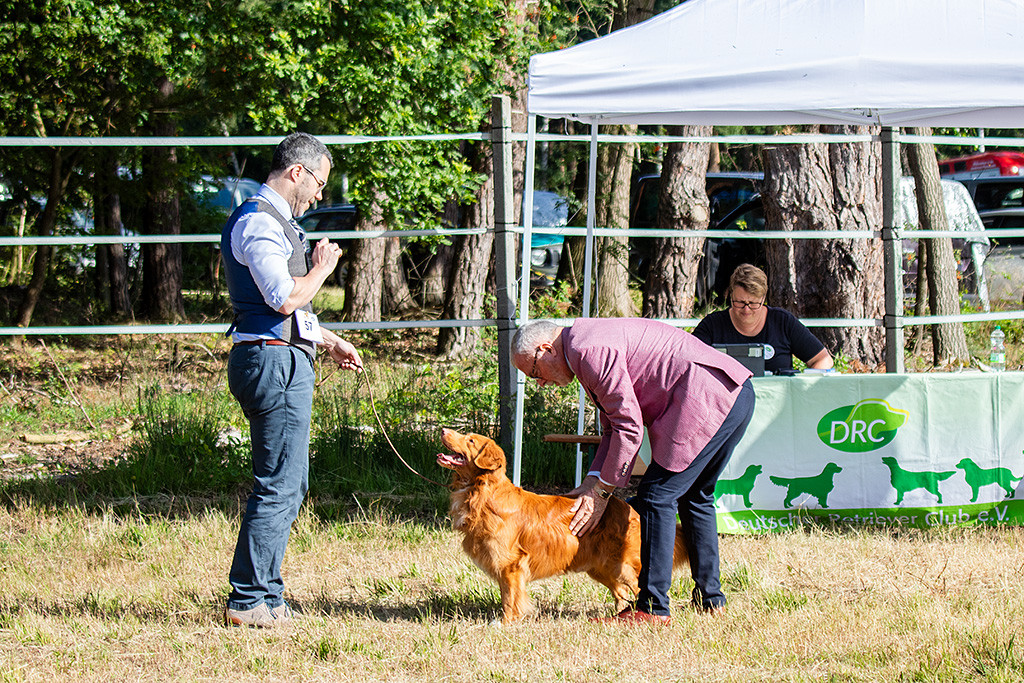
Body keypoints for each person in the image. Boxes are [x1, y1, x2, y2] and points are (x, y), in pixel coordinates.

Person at [511, 318, 755, 624]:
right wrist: (590, 483)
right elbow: (614, 426)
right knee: (695, 496)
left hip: (710, 396)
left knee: (656, 497)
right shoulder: (581, 345)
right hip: (735, 392)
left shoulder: (588, 350)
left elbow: (628, 428)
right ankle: (711, 600)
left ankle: (652, 608)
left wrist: (602, 492)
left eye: (534, 372)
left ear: (545, 349)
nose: (540, 382)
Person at [221, 132, 363, 628]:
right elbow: (282, 298)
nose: (320, 195)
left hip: (283, 355)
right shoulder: (260, 222)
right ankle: (249, 599)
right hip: (272, 363)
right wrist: (323, 267)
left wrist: (327, 340)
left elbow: (281, 308)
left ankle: (267, 594)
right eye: (319, 183)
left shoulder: (276, 222)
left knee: (290, 480)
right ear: (296, 172)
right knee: (279, 481)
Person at [693, 264, 832, 374]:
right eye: (739, 303)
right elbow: (688, 360)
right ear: (731, 296)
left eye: (753, 304)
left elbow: (822, 359)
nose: (746, 310)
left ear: (763, 299)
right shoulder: (712, 325)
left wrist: (803, 387)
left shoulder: (782, 322)